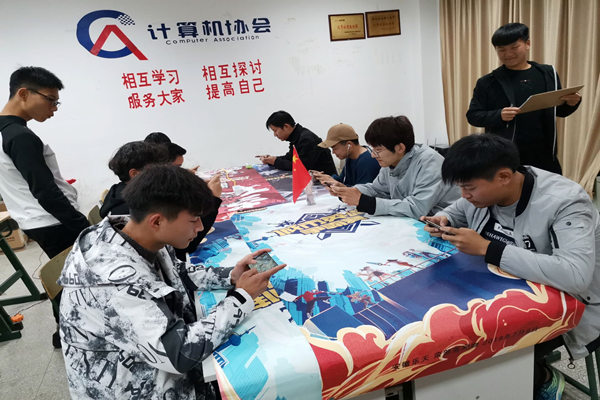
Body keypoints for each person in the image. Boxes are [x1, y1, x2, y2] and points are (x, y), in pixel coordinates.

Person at [58, 164, 286, 399]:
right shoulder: (115, 283)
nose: (200, 227)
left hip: (154, 360)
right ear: (157, 221)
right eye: (194, 220)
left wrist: (230, 275)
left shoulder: (136, 231)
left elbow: (177, 272)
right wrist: (241, 298)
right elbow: (179, 354)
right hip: (136, 388)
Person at [421, 133, 600, 400]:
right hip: (502, 293)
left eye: (469, 188)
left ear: (504, 176)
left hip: (569, 305)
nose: (464, 195)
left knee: (473, 354)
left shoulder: (565, 202)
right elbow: (456, 209)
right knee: (445, 337)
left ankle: (540, 377)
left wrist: (488, 248)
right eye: (460, 187)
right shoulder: (484, 192)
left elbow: (575, 275)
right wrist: (443, 218)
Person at [0, 66, 89, 348]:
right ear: (23, 93)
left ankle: (65, 333)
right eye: (50, 100)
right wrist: (84, 226)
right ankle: (70, 335)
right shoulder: (19, 136)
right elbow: (45, 191)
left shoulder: (6, 132)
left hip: (35, 221)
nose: (54, 109)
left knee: (64, 278)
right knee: (74, 282)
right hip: (54, 221)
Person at [466, 22, 582, 174]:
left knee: (551, 188)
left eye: (514, 47)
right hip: (504, 155)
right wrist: (499, 115)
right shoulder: (488, 82)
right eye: (502, 50)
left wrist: (572, 103)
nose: (508, 54)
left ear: (528, 44)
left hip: (544, 153)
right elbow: (473, 116)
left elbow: (558, 111)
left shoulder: (547, 73)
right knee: (509, 189)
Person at [101, 141, 222, 261]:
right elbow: (183, 249)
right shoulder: (141, 207)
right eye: (157, 169)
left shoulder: (117, 190)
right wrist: (214, 198)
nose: (165, 174)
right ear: (134, 173)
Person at [329, 116, 460, 218]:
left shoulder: (430, 162)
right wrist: (349, 191)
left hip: (444, 224)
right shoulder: (390, 161)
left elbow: (417, 208)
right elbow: (377, 189)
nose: (373, 155)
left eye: (378, 150)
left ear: (400, 148)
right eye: (372, 149)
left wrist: (367, 203)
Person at [100, 141, 169, 218]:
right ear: (134, 174)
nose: (160, 172)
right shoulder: (135, 210)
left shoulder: (116, 189)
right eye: (155, 169)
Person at [259, 111, 337, 175]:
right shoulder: (296, 136)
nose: (275, 135)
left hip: (327, 182)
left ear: (286, 127)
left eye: (275, 130)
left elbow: (302, 167)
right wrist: (271, 159)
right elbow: (290, 157)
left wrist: (275, 161)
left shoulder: (306, 139)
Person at [311, 123, 380, 187]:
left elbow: (361, 192)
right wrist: (325, 178)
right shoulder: (351, 157)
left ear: (349, 145)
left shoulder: (367, 161)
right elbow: (342, 180)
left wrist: (335, 183)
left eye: (334, 148)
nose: (333, 152)